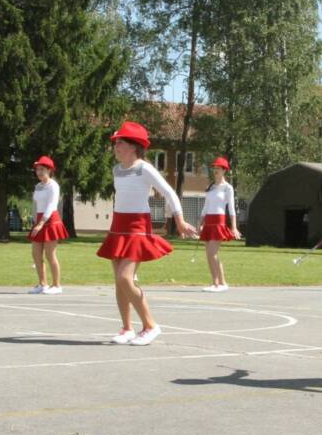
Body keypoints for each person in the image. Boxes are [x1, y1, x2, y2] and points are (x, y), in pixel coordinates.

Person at [97, 121, 195, 345]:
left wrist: (179, 219)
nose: (115, 147)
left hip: (138, 228)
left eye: (120, 143)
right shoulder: (116, 170)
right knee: (119, 281)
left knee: (125, 277)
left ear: (133, 147)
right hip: (118, 226)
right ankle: (126, 328)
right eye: (115, 143)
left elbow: (169, 192)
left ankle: (150, 326)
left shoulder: (145, 168)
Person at [28, 155, 68, 295]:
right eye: (37, 169)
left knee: (50, 254)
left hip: (50, 220)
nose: (39, 172)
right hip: (39, 221)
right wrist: (35, 222)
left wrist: (41, 223)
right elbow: (36, 205)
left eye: (42, 169)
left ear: (49, 170)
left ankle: (57, 285)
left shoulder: (53, 185)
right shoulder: (38, 186)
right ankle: (42, 284)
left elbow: (51, 205)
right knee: (36, 254)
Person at [200, 157, 240, 292]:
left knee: (213, 253)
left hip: (219, 223)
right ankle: (217, 283)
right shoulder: (210, 187)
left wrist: (234, 227)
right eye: (214, 168)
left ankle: (220, 284)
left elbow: (231, 209)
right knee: (209, 254)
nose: (215, 170)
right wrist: (201, 223)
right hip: (208, 223)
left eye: (218, 168)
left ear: (224, 170)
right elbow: (206, 206)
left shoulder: (228, 188)